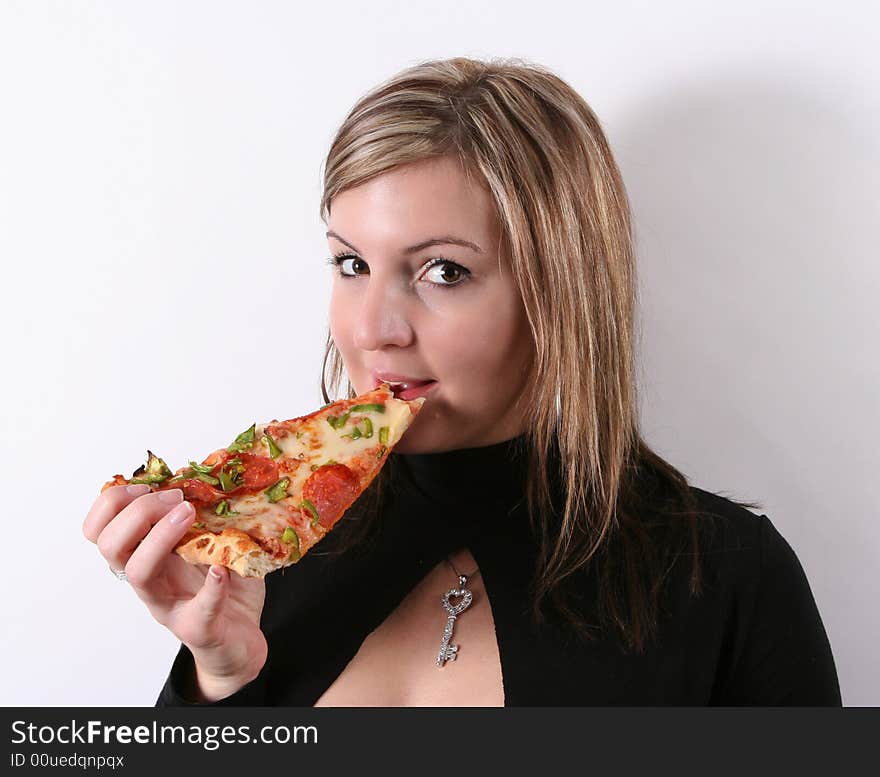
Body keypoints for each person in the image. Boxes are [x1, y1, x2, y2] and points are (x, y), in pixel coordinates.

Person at [83, 57, 841, 706]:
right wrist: (218, 680)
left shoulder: (730, 578)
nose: (374, 327)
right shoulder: (268, 552)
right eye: (352, 264)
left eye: (443, 271)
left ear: (559, 296)